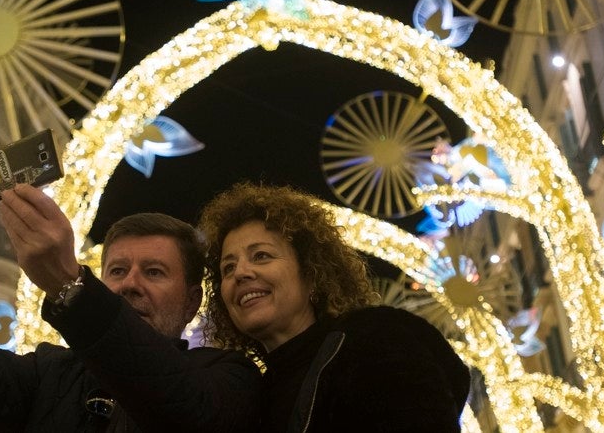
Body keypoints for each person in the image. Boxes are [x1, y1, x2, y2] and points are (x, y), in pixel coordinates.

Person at [0, 151, 261, 432]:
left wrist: (70, 285)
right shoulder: (49, 375)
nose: (130, 284)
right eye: (117, 271)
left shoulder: (228, 377)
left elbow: (184, 408)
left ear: (191, 302)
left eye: (154, 272)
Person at [197, 180, 471, 432]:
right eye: (228, 267)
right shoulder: (250, 398)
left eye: (261, 256)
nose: (240, 273)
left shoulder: (375, 341)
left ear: (311, 271)